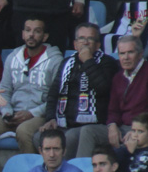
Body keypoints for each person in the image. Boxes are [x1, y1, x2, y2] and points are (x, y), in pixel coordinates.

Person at [0, 18, 62, 157]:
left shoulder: (55, 60)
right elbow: (4, 90)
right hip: (13, 114)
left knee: (23, 131)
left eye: (37, 31)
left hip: (39, 115)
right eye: (28, 30)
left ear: (45, 36)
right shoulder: (13, 57)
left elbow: (57, 97)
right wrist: (7, 112)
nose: (31, 35)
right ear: (23, 34)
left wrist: (32, 113)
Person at [37, 22, 117, 158]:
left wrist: (88, 61)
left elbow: (103, 88)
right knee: (38, 137)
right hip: (64, 122)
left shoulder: (107, 63)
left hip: (90, 124)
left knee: (68, 138)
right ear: (75, 44)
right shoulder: (66, 62)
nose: (85, 43)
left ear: (98, 45)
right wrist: (50, 118)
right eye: (81, 38)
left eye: (90, 39)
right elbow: (53, 94)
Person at [106, 35, 148, 147]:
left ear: (140, 53)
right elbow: (113, 110)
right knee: (87, 133)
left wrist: (138, 130)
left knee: (124, 148)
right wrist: (112, 126)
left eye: (130, 52)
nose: (126, 57)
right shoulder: (118, 78)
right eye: (122, 53)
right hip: (124, 128)